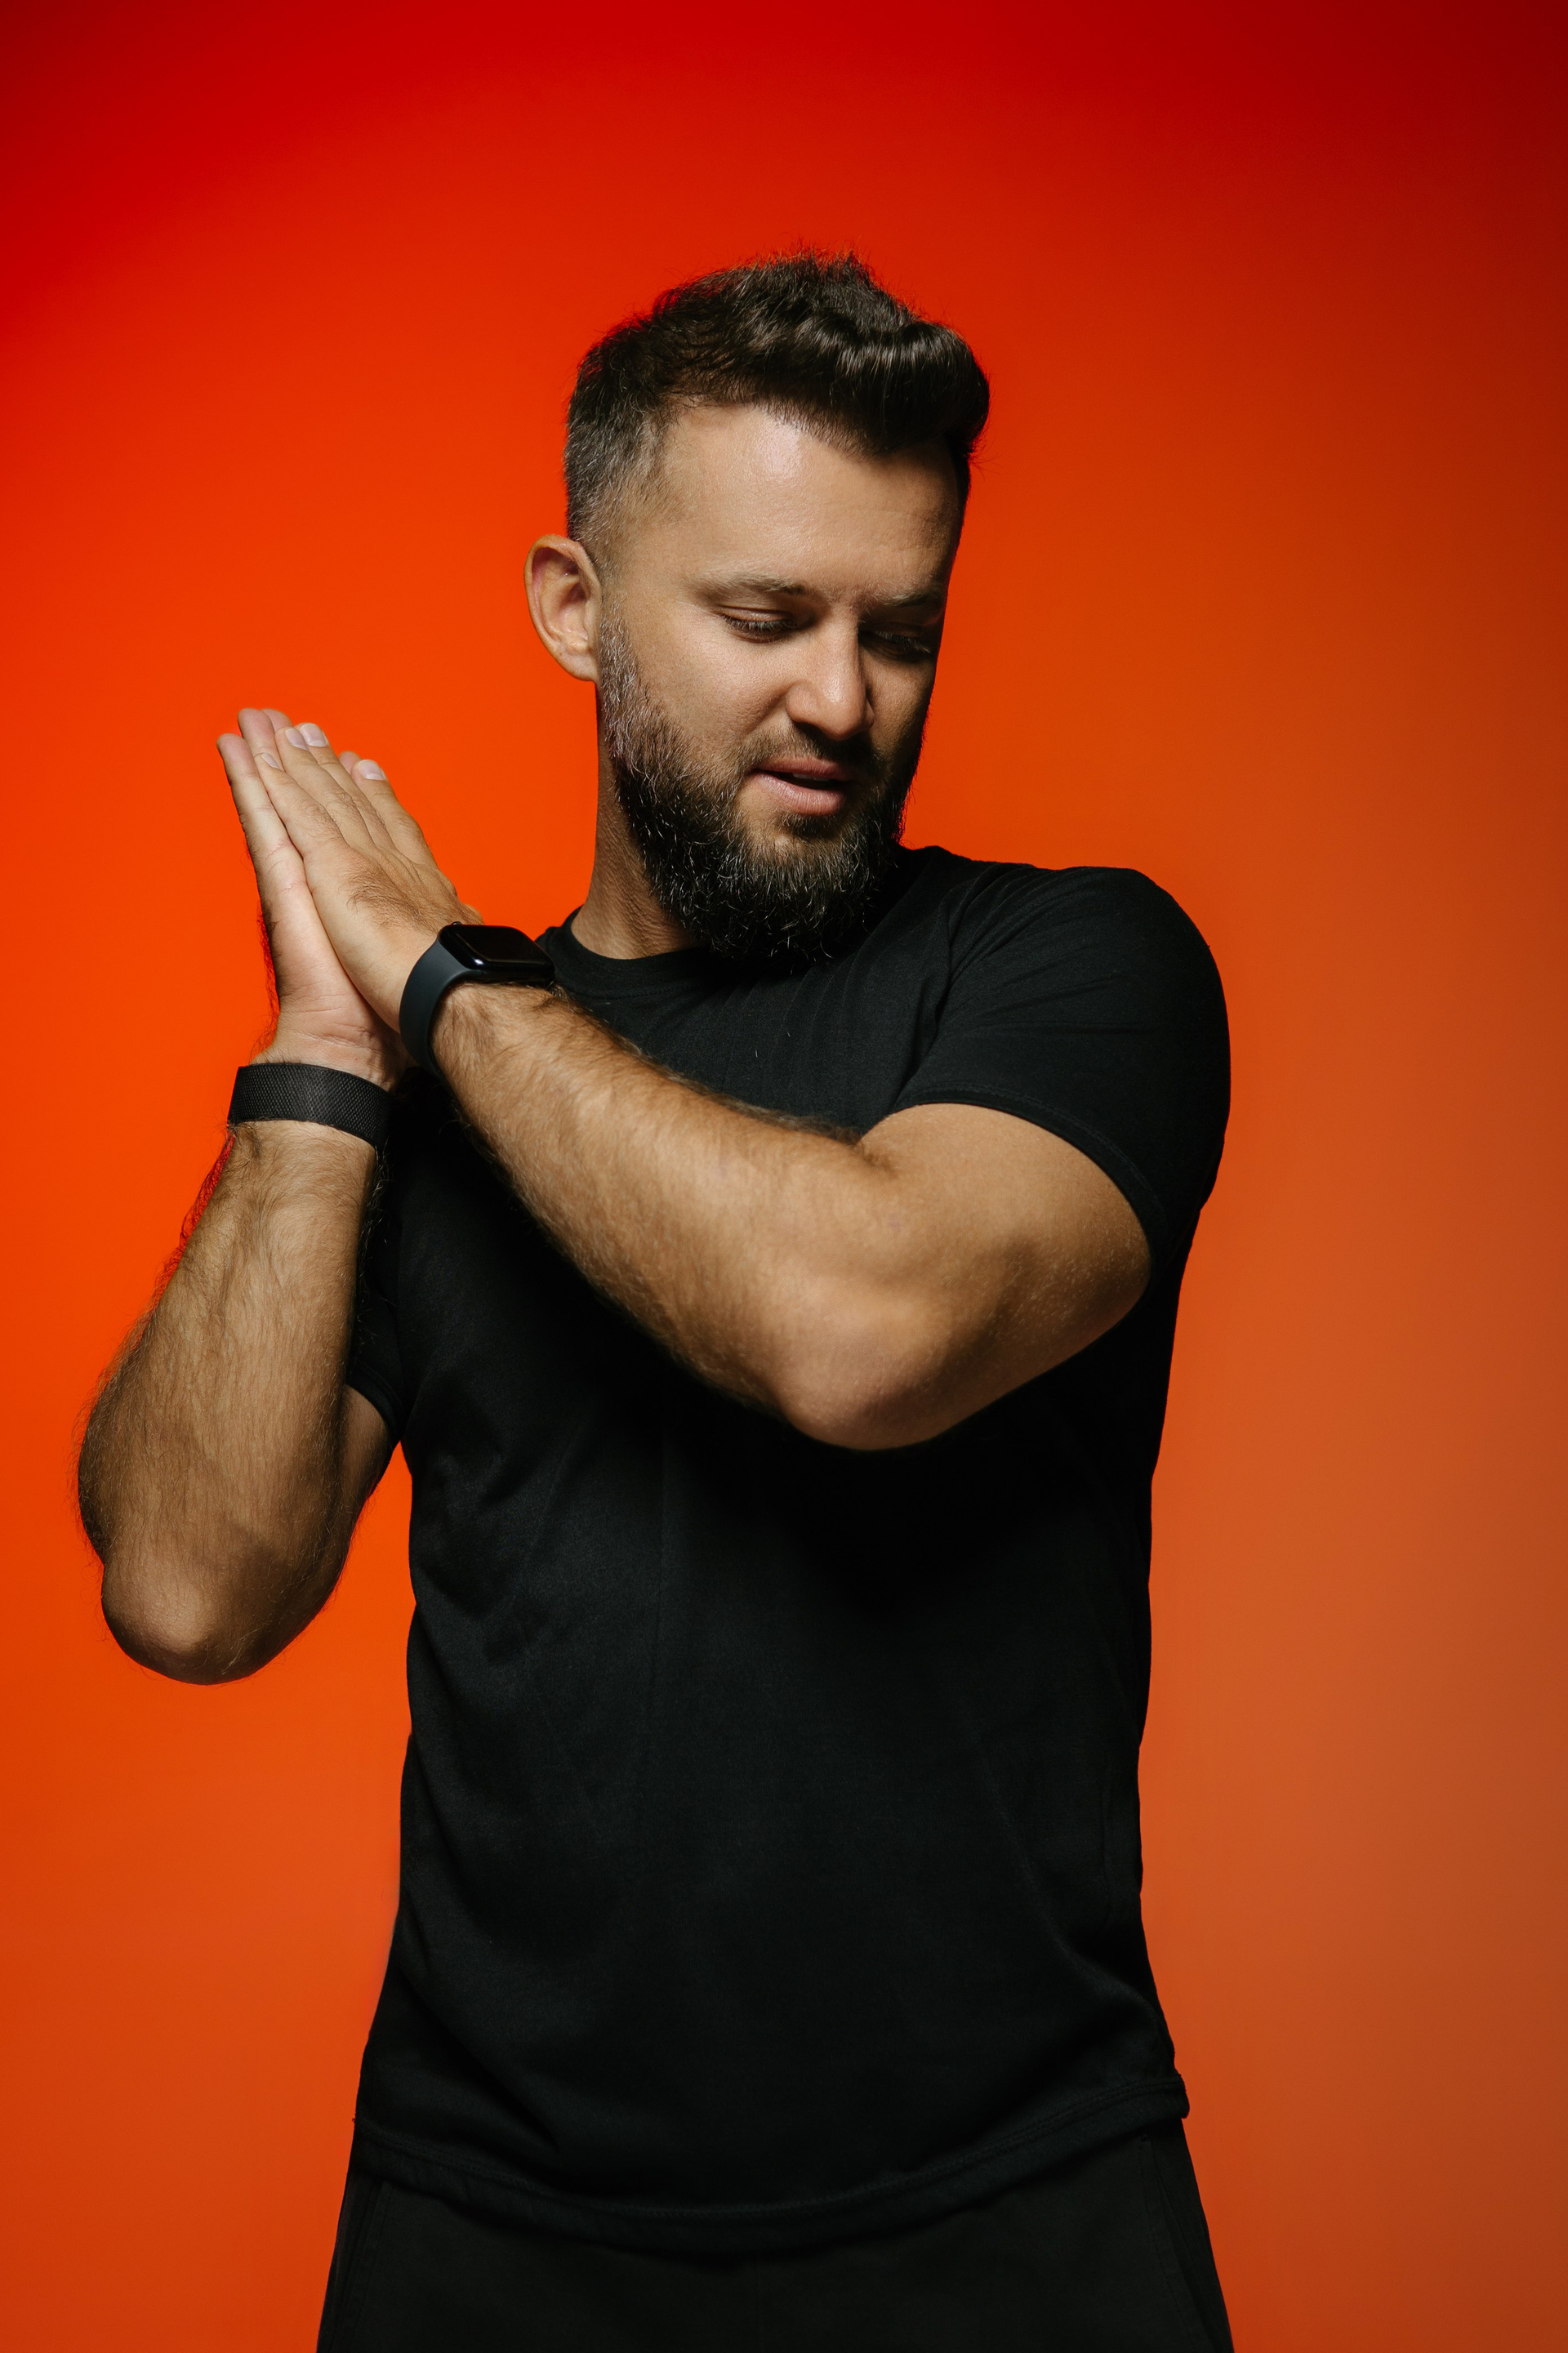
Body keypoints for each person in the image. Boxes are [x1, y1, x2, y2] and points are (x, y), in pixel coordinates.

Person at [78, 253, 1233, 2351]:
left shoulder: (1075, 970)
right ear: (576, 606)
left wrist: (443, 982)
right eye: (768, 618)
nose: (844, 700)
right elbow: (185, 1586)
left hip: (1007, 2227)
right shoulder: (443, 1067)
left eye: (901, 629)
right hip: (487, 2239)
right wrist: (327, 1053)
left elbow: (859, 1330)